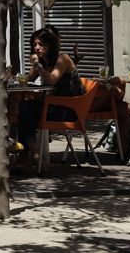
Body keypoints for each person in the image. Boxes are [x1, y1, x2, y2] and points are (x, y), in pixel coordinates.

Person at [14, 26, 86, 163]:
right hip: (55, 106)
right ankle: (30, 151)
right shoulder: (42, 61)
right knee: (22, 107)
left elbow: (52, 79)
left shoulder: (63, 59)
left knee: (25, 109)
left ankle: (28, 152)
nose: (37, 48)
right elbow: (28, 80)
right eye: (34, 44)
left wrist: (38, 65)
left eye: (41, 44)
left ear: (50, 45)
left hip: (70, 110)